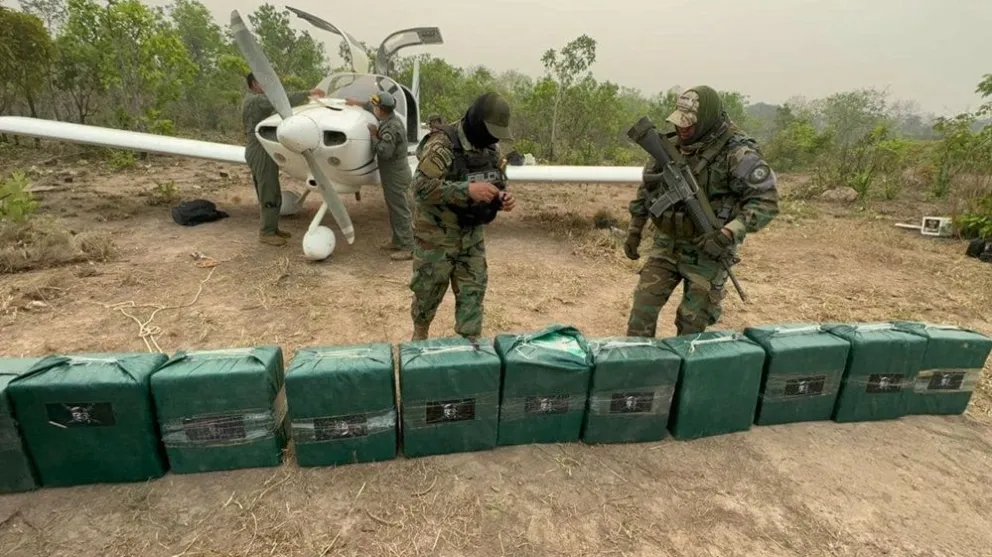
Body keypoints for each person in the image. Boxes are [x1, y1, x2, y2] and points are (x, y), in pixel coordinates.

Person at [624, 85, 779, 337]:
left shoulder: (737, 152)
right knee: (642, 312)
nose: (682, 128)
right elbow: (649, 188)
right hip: (668, 243)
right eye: (679, 122)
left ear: (706, 119)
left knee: (691, 326)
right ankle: (639, 370)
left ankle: (686, 375)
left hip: (708, 248)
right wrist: (635, 229)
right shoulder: (668, 147)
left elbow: (766, 201)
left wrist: (729, 233)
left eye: (689, 123)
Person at [408, 92, 517, 341]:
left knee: (473, 295)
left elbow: (497, 182)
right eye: (490, 131)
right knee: (427, 293)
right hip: (436, 238)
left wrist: (502, 198)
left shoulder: (490, 150)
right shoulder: (442, 145)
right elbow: (420, 189)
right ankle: (419, 336)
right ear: (476, 122)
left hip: (471, 237)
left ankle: (469, 348)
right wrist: (465, 190)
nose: (493, 138)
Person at [242, 72, 324, 246]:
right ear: (255, 84)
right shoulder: (256, 101)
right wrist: (308, 93)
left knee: (270, 189)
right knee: (269, 192)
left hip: (261, 148)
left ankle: (272, 228)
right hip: (260, 150)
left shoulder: (255, 100)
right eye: (263, 81)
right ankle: (267, 233)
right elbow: (282, 100)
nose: (267, 85)